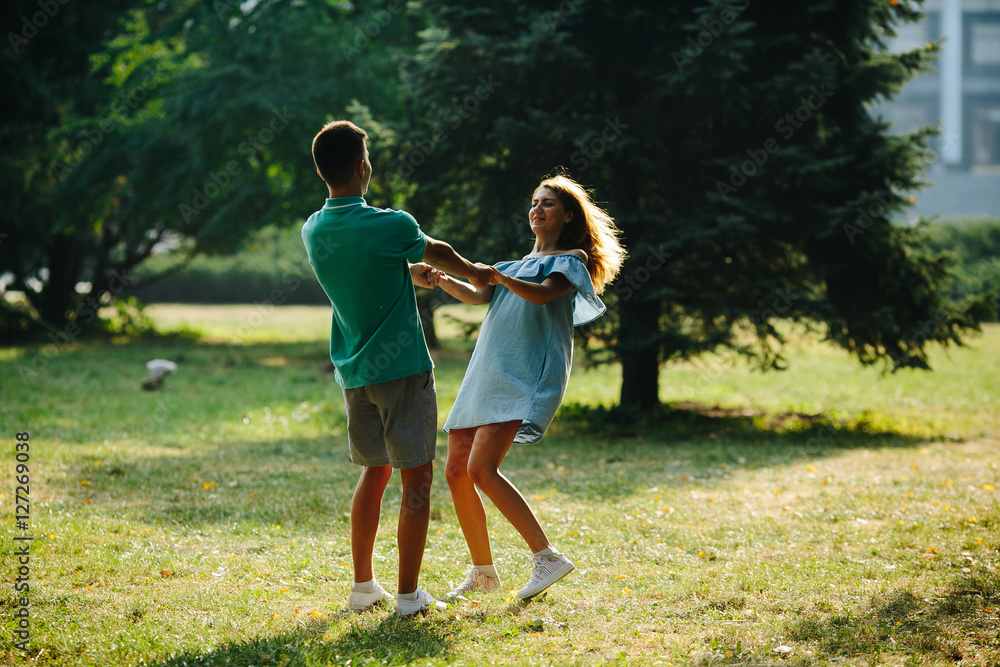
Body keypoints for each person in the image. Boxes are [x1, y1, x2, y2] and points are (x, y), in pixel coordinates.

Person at [301, 120, 492, 617]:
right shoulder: (394, 224)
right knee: (416, 479)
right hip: (403, 369)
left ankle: (363, 586)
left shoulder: (313, 228)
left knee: (374, 470)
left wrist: (406, 273)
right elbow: (442, 251)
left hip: (355, 372)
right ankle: (409, 596)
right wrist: (478, 274)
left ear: (322, 171)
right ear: (364, 166)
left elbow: (359, 265)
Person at [437, 174, 626, 601]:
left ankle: (547, 557)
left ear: (568, 215)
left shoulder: (570, 259)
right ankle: (484, 572)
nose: (537, 209)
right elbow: (477, 295)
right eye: (534, 202)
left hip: (524, 374)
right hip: (486, 372)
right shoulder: (515, 264)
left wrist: (499, 279)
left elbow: (542, 296)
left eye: (548, 204)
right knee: (455, 471)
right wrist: (441, 280)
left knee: (481, 469)